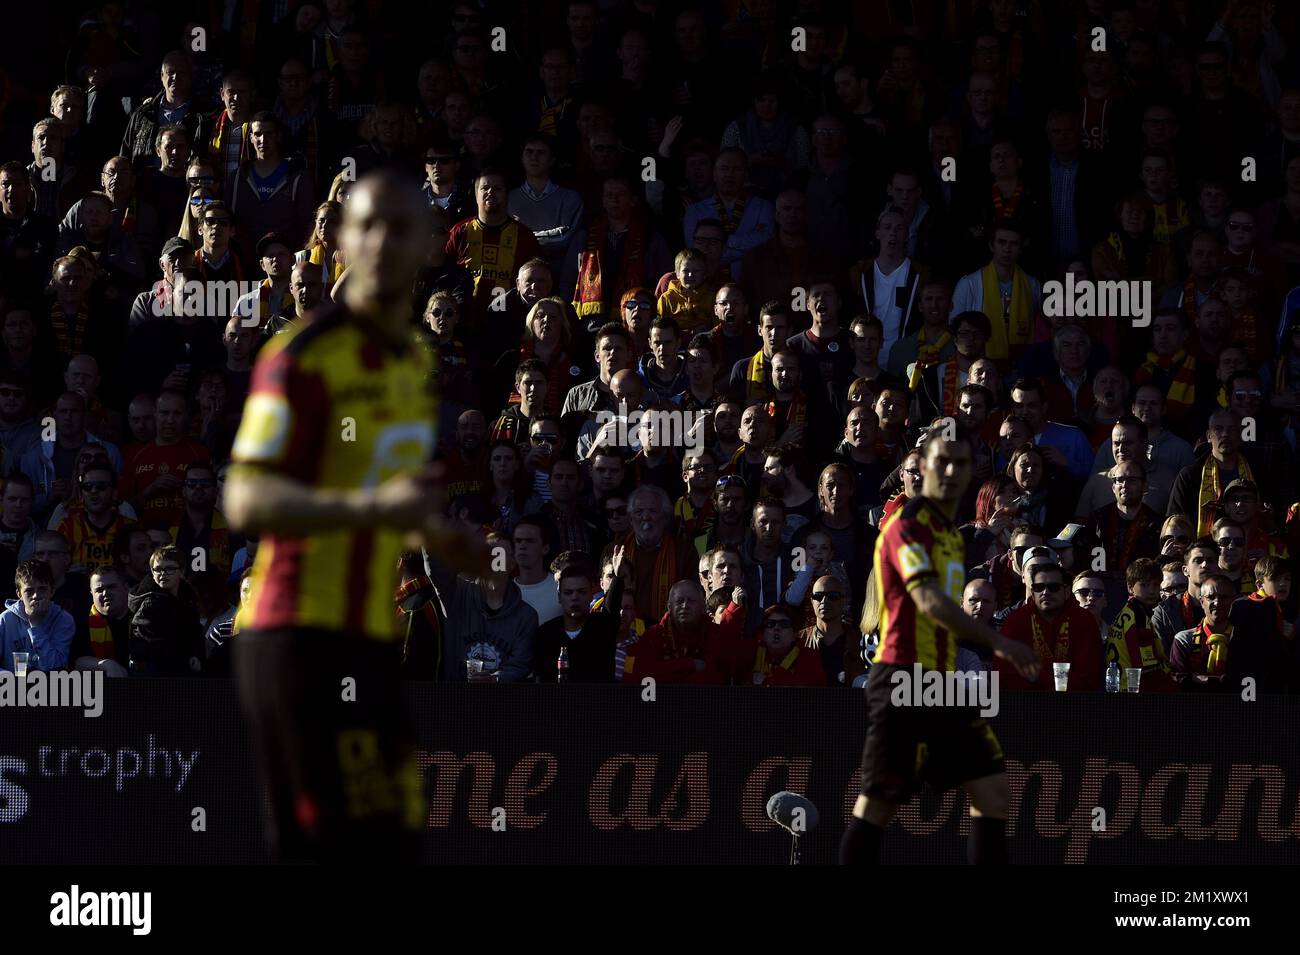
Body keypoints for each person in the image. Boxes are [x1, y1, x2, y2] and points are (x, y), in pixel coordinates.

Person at [224, 171, 475, 862]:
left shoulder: (411, 364)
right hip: (295, 632)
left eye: (404, 227)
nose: (387, 243)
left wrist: (441, 535)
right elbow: (245, 500)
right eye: (370, 226)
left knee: (391, 844)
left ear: (428, 243)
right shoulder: (300, 355)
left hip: (372, 637)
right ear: (340, 242)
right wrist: (372, 506)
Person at [840, 429, 1039, 866]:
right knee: (877, 804)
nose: (950, 472)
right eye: (941, 462)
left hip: (942, 685)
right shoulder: (906, 526)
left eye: (960, 464)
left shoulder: (950, 534)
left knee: (991, 791)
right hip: (901, 680)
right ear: (923, 469)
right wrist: (999, 641)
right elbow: (928, 601)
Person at [997, 561, 1104, 692]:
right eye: (1038, 587)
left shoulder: (1084, 621)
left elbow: (1088, 679)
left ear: (1066, 591)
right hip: (1025, 705)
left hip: (1075, 705)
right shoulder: (1015, 621)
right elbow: (1006, 677)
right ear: (1032, 591)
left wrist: (1037, 676)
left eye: (1053, 587)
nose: (1045, 592)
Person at [534, 547, 625, 683]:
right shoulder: (546, 634)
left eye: (582, 592)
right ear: (559, 596)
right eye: (568, 592)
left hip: (596, 703)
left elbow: (611, 609)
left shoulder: (602, 628)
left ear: (591, 595)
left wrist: (617, 578)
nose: (575, 597)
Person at [127, 544, 204, 676]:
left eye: (170, 569)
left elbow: (193, 630)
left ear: (182, 571)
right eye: (157, 569)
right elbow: (151, 643)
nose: (163, 574)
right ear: (152, 572)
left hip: (180, 667)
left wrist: (195, 654)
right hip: (155, 672)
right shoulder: (151, 603)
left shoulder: (188, 597)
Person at [1105, 557, 1175, 692]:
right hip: (1133, 690)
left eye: (1155, 585)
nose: (1151, 591)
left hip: (1118, 687)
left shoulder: (1127, 612)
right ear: (1130, 587)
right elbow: (1146, 668)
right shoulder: (1138, 617)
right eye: (1144, 585)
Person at [0, 559, 74, 672]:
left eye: (42, 589)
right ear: (19, 594)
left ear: (52, 591)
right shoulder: (6, 620)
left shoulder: (63, 620)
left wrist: (35, 627)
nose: (36, 596)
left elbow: (57, 666)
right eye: (29, 591)